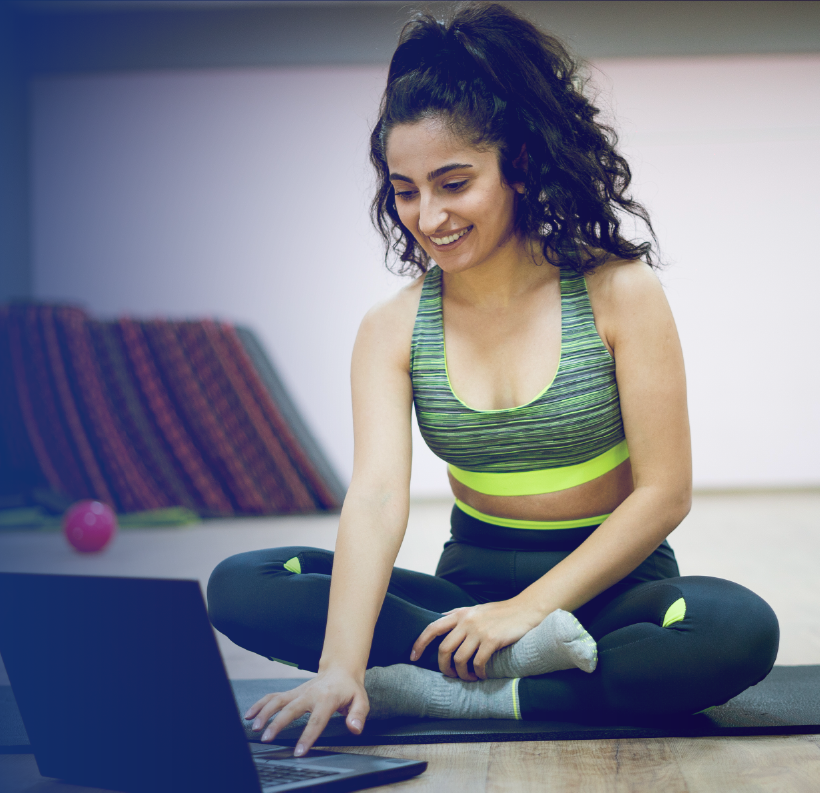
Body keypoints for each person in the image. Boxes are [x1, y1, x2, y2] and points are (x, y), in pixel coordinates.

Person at [206, 2, 778, 758]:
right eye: (406, 190)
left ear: (519, 164)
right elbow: (376, 498)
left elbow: (664, 492)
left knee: (736, 627)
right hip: (462, 603)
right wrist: (339, 666)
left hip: (611, 597)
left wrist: (529, 610)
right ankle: (504, 681)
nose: (429, 215)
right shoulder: (392, 327)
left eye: (454, 182)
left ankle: (443, 691)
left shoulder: (618, 292)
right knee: (242, 581)